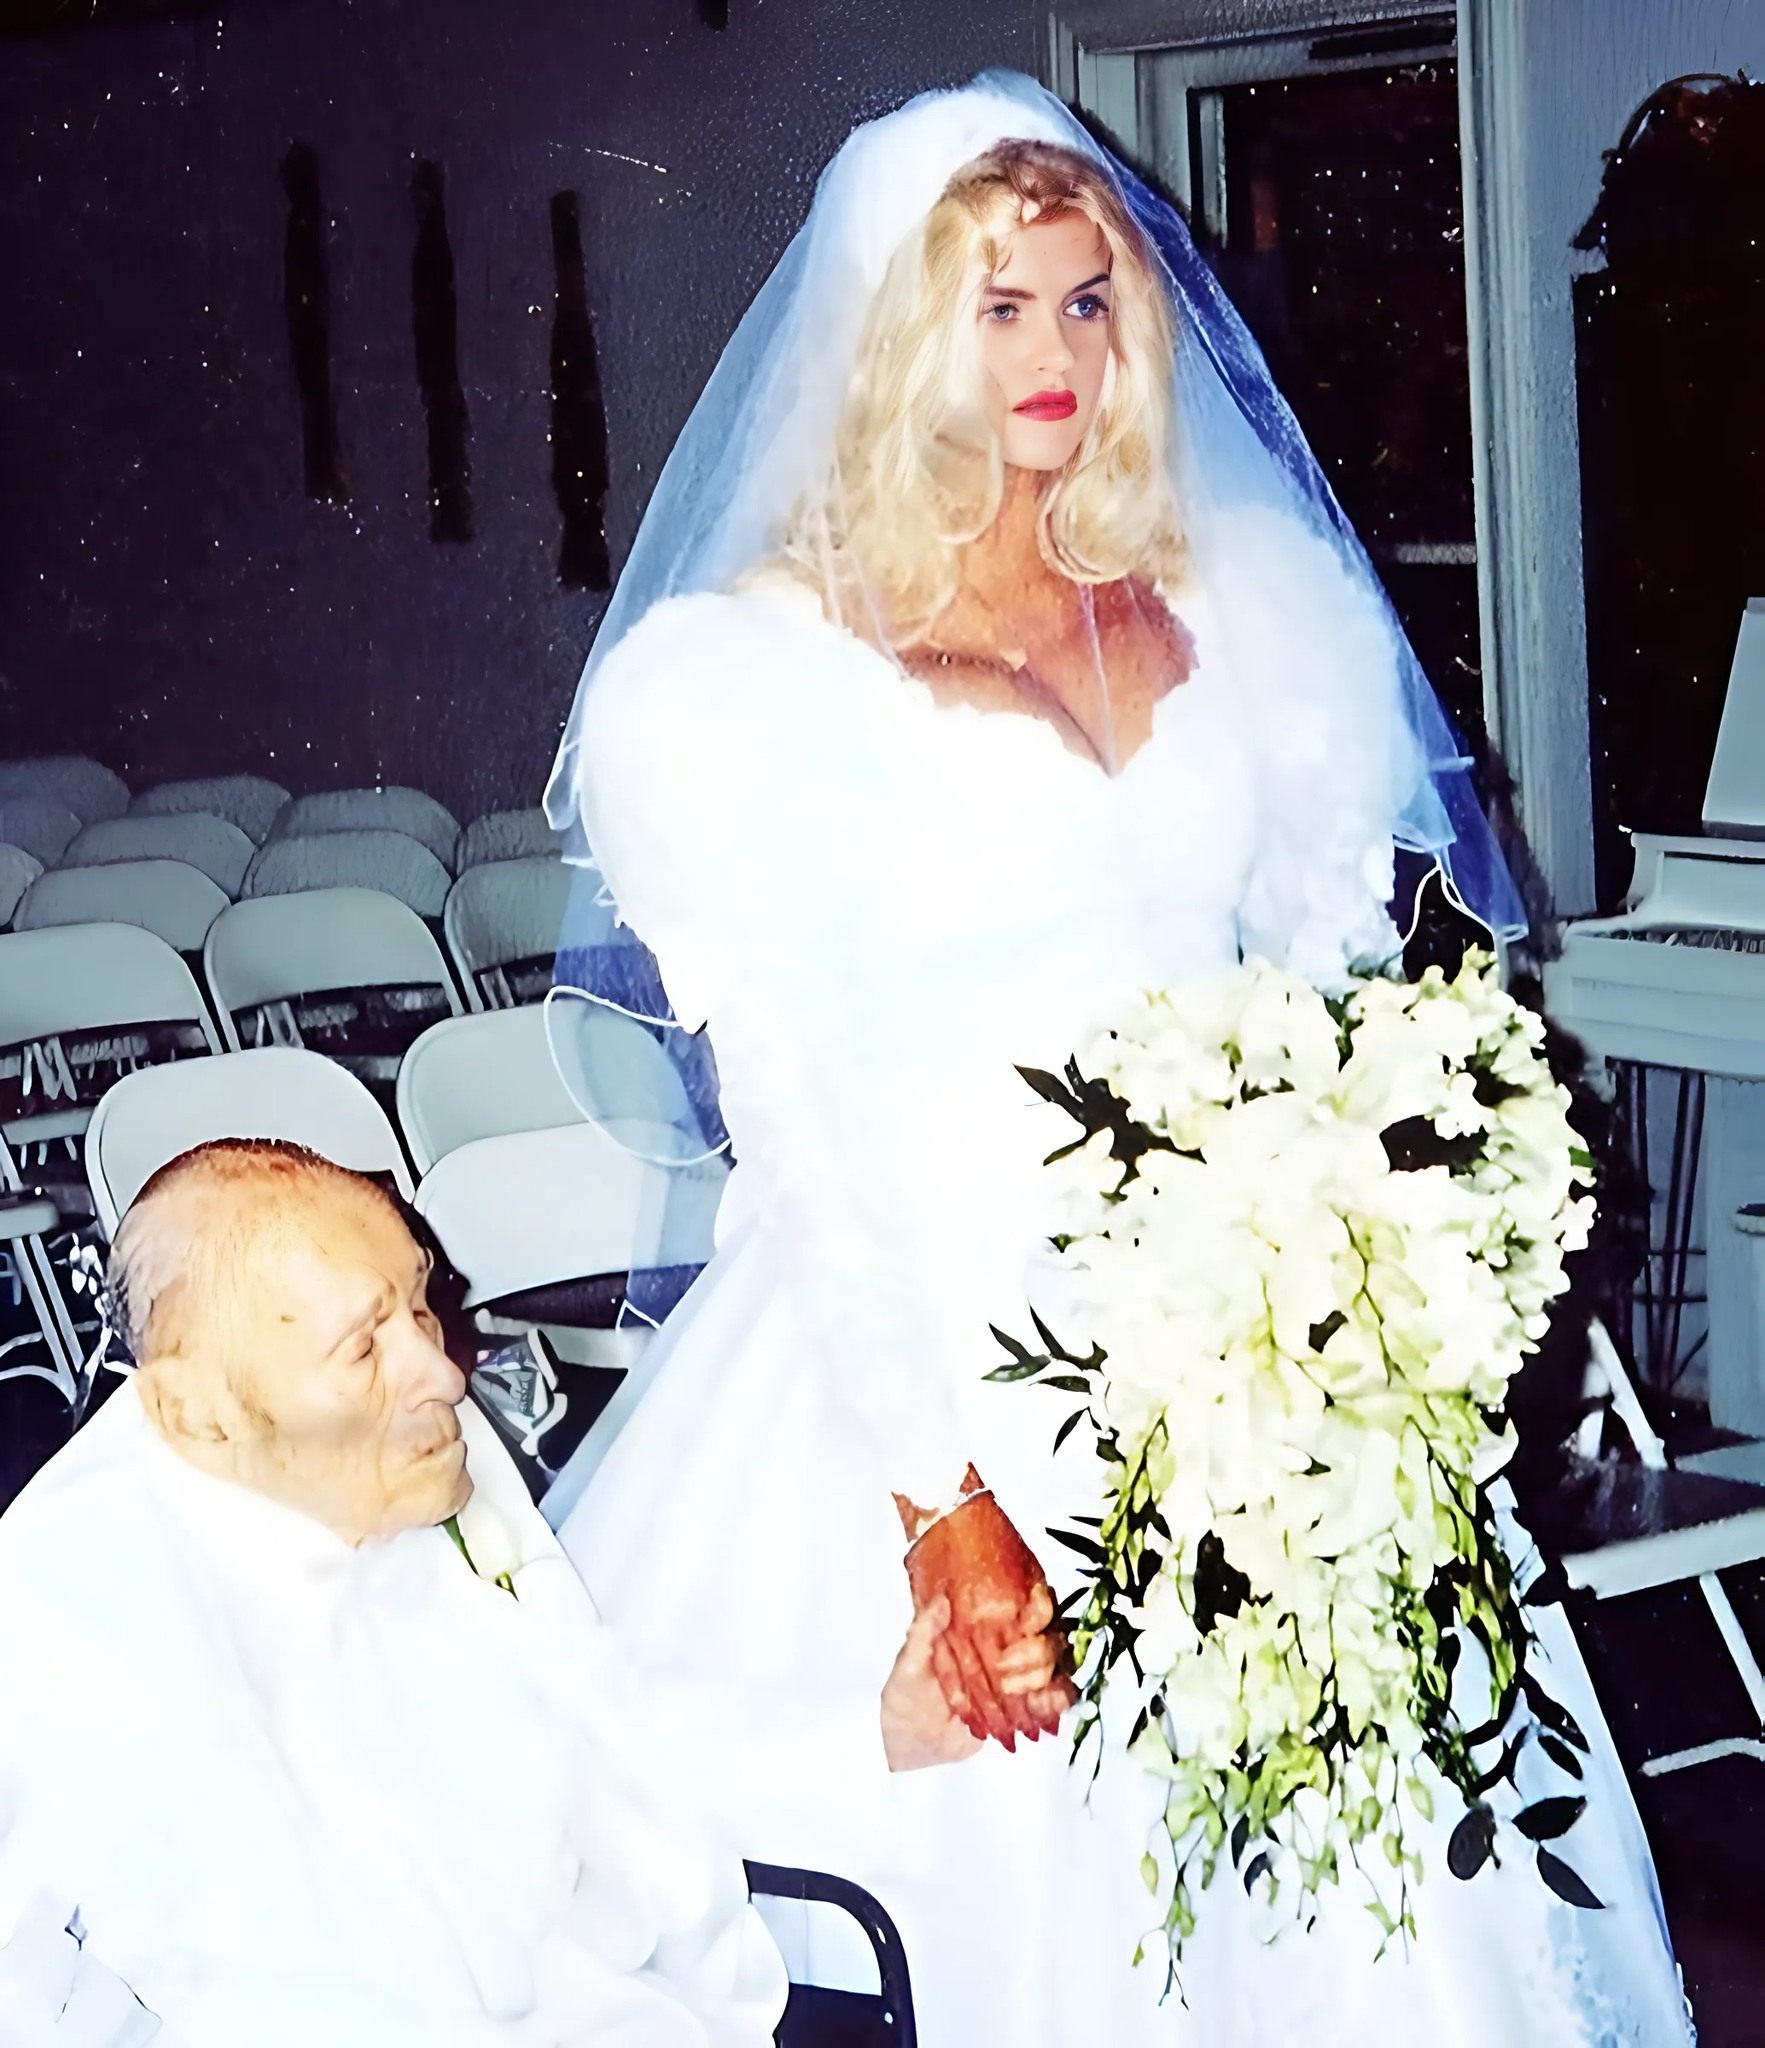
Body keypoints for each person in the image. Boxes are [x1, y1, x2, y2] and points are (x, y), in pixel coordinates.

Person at [540, 72, 1693, 2045]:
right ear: (899, 333)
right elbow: (796, 1122)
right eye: (997, 306)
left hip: (1256, 1310)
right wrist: (937, 1501)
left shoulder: (1247, 604)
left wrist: (1408, 1214)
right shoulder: (738, 681)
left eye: (1088, 301)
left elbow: (1357, 965)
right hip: (934, 1324)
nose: (1054, 352)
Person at [0, 1139, 788, 2046]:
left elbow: (618, 1774)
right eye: (363, 1347)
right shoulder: (77, 1614)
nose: (445, 1376)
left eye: (420, 1307)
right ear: (199, 1414)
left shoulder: (420, 1450)